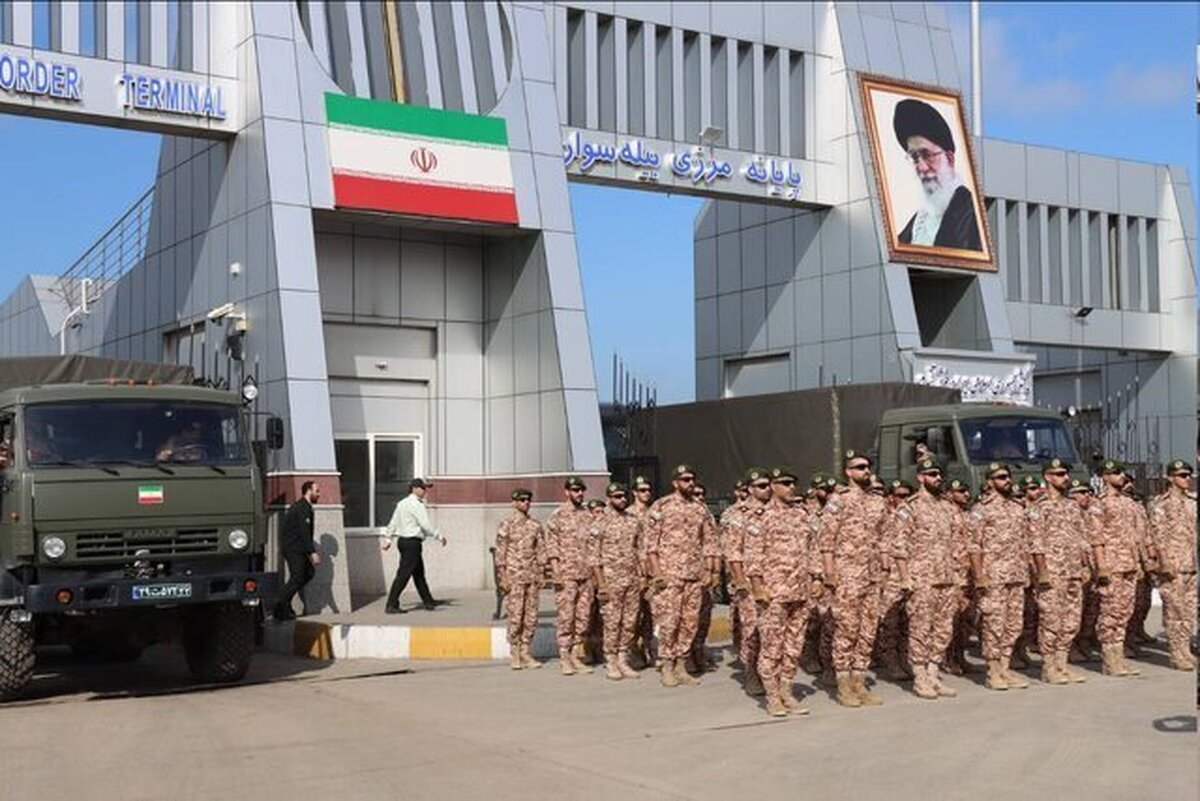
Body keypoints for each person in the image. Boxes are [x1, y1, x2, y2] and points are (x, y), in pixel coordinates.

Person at [820, 451, 890, 708]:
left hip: (872, 576)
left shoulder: (877, 501)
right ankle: (843, 685)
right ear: (848, 472)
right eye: (859, 467)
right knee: (847, 630)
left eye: (868, 466)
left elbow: (884, 536)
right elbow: (826, 540)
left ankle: (859, 682)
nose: (866, 471)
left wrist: (885, 567)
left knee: (868, 630)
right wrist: (829, 574)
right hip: (847, 575)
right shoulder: (838, 501)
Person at [748, 466, 819, 717]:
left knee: (793, 645)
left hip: (800, 591)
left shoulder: (802, 514)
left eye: (793, 483)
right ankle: (772, 696)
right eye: (785, 483)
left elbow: (813, 549)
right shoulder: (761, 517)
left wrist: (816, 577)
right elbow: (753, 556)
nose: (791, 487)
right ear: (774, 486)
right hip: (774, 592)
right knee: (772, 646)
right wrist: (757, 588)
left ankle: (786, 690)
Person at [890, 458, 960, 700]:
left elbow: (957, 543)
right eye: (931, 474)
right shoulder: (909, 507)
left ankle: (933, 673)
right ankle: (920, 676)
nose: (937, 478)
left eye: (939, 474)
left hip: (946, 577)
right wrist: (905, 578)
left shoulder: (947, 507)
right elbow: (899, 546)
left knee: (943, 629)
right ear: (920, 477)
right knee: (921, 628)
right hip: (922, 578)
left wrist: (959, 576)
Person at [645, 464, 718, 687]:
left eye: (692, 479)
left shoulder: (700, 509)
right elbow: (650, 545)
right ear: (675, 483)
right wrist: (657, 573)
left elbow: (709, 542)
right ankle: (667, 664)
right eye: (685, 480)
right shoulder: (661, 506)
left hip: (694, 575)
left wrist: (710, 570)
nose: (690, 483)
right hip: (670, 575)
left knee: (689, 622)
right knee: (669, 622)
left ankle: (681, 664)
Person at [968, 463, 1031, 691]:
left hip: (1015, 574)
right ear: (990, 482)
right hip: (993, 576)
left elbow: (1025, 542)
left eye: (1008, 476)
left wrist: (1027, 570)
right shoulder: (980, 510)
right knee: (994, 623)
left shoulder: (1017, 507)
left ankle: (1005, 668)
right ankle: (993, 671)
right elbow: (974, 546)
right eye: (1001, 477)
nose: (1007, 480)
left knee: (1013, 624)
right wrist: (979, 575)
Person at [1027, 459, 1089, 685]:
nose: (1066, 478)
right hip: (1051, 573)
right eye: (1060, 474)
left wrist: (1084, 565)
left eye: (1066, 473)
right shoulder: (1039, 507)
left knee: (1071, 620)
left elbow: (1082, 539)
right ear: (1048, 477)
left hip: (1072, 570)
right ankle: (1049, 666)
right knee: (1051, 619)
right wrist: (1042, 572)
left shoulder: (1072, 505)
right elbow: (1035, 543)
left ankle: (1062, 664)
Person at [891, 98, 982, 251]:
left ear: (949, 158)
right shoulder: (915, 225)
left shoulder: (971, 213)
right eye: (914, 158)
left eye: (927, 155)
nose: (922, 167)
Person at [723, 468, 772, 697]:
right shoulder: (739, 516)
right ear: (750, 490)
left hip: (775, 582)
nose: (767, 489)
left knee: (772, 632)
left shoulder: (776, 512)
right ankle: (752, 673)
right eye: (761, 486)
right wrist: (741, 582)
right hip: (751, 586)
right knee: (752, 630)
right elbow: (733, 553)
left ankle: (770, 674)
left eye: (768, 484)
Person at [1091, 461, 1143, 677]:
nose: (1121, 476)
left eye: (1122, 472)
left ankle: (1119, 657)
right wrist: (1101, 567)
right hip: (1111, 566)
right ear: (1105, 476)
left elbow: (1136, 536)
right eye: (1116, 473)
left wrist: (1139, 562)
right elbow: (1096, 538)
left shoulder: (1128, 503)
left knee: (1124, 612)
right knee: (1110, 613)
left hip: (1128, 564)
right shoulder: (1099, 504)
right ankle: (1109, 659)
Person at [589, 482, 644, 680]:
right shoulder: (600, 523)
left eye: (623, 496)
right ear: (609, 498)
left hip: (631, 580)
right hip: (611, 581)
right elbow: (594, 559)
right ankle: (611, 660)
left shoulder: (633, 521)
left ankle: (623, 659)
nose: (622, 500)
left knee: (629, 622)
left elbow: (640, 550)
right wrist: (601, 584)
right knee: (612, 622)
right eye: (617, 497)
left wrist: (642, 576)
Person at [1148, 459, 1197, 670]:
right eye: (1182, 476)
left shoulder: (1191, 503)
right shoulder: (1161, 504)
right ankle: (1176, 653)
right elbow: (1157, 536)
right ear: (1170, 477)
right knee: (1174, 610)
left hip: (1190, 564)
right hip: (1173, 566)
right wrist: (1164, 562)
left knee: (1189, 611)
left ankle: (1185, 648)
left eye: (1188, 475)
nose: (1187, 479)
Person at [545, 476, 595, 675]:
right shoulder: (557, 515)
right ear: (567, 492)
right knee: (567, 617)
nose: (579, 494)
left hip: (585, 574)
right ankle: (565, 657)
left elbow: (593, 545)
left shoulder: (588, 516)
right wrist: (556, 571)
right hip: (566, 575)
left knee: (583, 617)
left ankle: (576, 654)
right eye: (575, 490)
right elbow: (552, 546)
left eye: (581, 490)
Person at [495, 488, 544, 670]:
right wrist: (503, 577)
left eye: (528, 500)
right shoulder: (506, 525)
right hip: (514, 576)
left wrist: (541, 573)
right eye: (522, 500)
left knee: (530, 616)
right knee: (515, 615)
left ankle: (525, 651)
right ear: (514, 502)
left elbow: (541, 551)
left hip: (531, 576)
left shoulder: (535, 525)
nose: (526, 503)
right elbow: (501, 554)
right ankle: (514, 651)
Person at [381, 478, 447, 614]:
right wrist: (439, 536)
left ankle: (428, 601)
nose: (425, 491)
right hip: (412, 543)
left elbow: (393, 523)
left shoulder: (402, 504)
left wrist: (388, 539)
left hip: (403, 542)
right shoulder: (417, 505)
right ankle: (391, 604)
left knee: (418, 574)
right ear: (414, 489)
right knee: (404, 574)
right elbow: (425, 524)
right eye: (423, 488)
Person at [274, 481, 321, 621]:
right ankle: (281, 606)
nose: (319, 494)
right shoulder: (302, 508)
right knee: (297, 577)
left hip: (298, 548)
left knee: (308, 573)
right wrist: (312, 552)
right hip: (293, 549)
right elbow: (304, 531)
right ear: (308, 491)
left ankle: (285, 602)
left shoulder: (305, 507)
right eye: (317, 491)